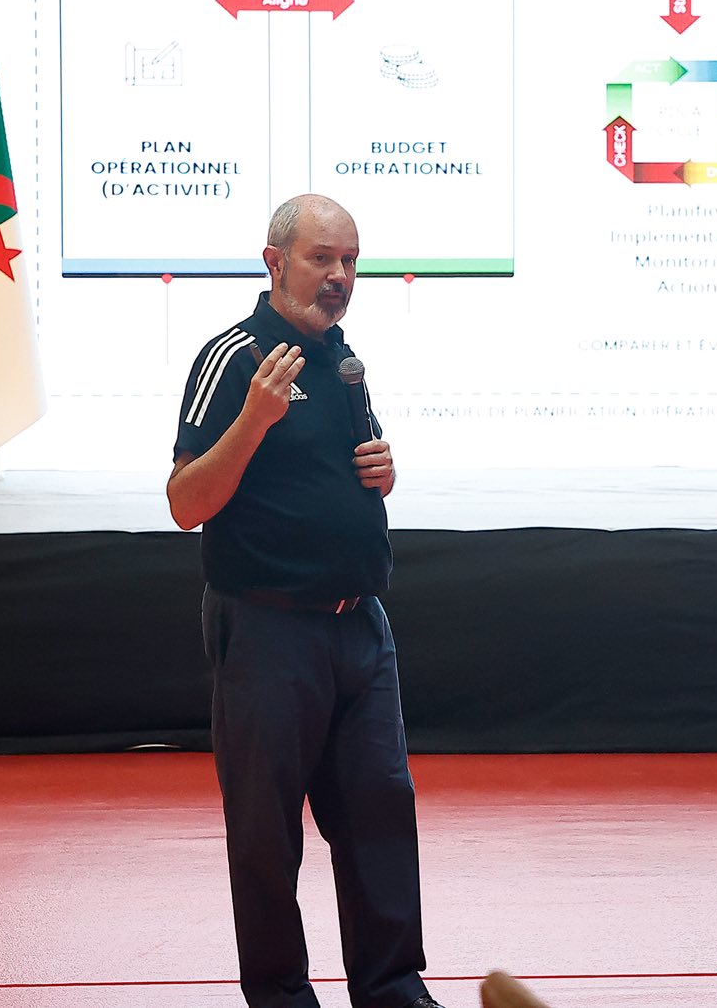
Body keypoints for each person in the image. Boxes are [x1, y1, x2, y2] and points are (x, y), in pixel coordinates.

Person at [167, 194, 445, 1008]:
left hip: (360, 626)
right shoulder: (234, 359)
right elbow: (185, 502)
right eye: (322, 258)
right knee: (265, 832)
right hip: (268, 630)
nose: (339, 276)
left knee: (381, 814)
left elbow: (340, 476)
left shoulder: (343, 362)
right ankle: (282, 997)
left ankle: (393, 990)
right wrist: (254, 420)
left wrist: (384, 473)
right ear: (275, 261)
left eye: (350, 261)